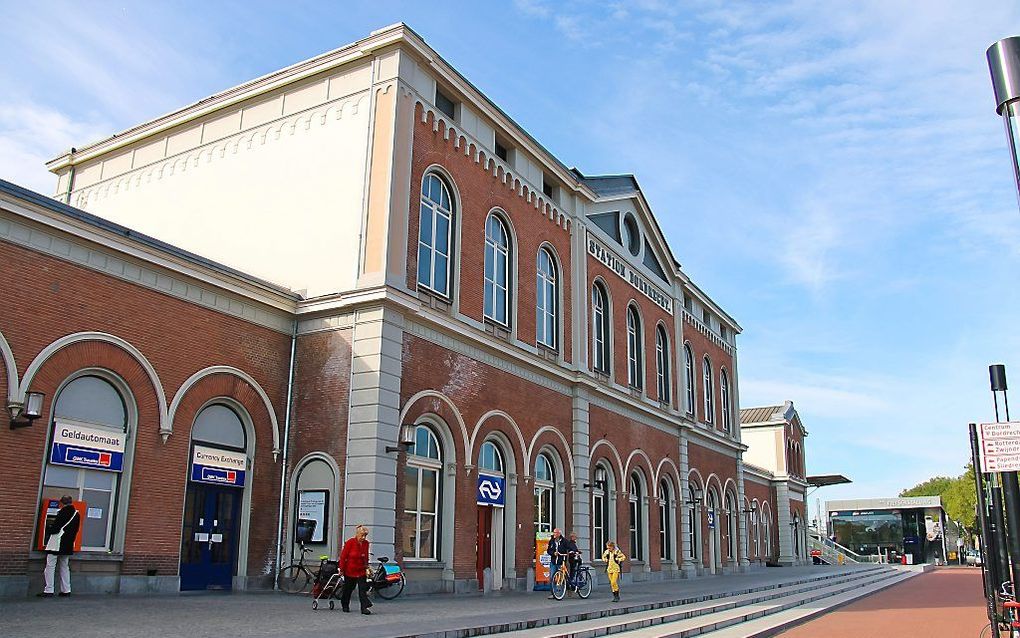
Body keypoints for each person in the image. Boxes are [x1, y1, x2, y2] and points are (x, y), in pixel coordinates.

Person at [39, 496, 79, 598]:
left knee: (50, 565)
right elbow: (76, 530)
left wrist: (49, 529)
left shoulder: (62, 512)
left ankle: (49, 590)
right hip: (68, 544)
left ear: (62, 503)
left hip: (57, 543)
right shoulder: (76, 514)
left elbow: (55, 528)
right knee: (64, 566)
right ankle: (66, 590)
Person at [339, 524, 373, 614]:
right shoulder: (350, 542)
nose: (363, 537)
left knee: (362, 588)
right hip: (350, 570)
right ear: (357, 534)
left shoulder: (366, 544)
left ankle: (364, 607)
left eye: (365, 535)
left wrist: (367, 567)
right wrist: (341, 569)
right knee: (348, 589)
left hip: (361, 570)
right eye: (362, 535)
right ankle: (345, 604)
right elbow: (343, 557)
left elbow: (366, 556)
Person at [545, 528, 567, 600]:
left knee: (561, 577)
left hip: (561, 561)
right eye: (554, 532)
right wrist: (553, 553)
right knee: (552, 577)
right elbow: (548, 550)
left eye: (556, 533)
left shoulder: (564, 541)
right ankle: (553, 593)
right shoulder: (551, 541)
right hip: (554, 561)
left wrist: (573, 551)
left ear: (559, 534)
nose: (554, 534)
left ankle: (561, 591)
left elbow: (569, 547)